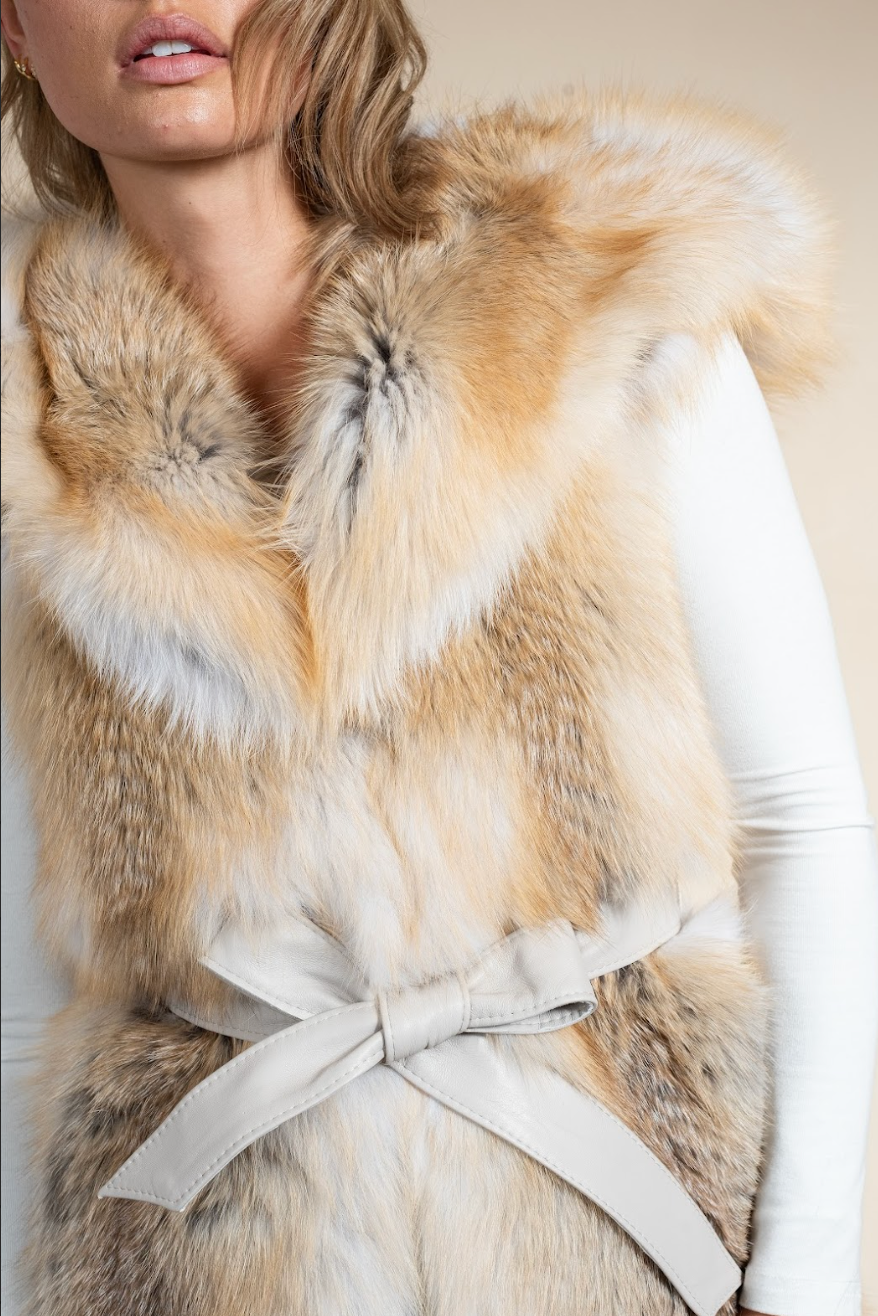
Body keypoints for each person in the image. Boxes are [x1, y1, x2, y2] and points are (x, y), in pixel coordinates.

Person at [1, 3, 876, 1315]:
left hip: (623, 1244)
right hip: (190, 1266)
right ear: (16, 26)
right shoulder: (19, 419)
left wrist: (804, 1281)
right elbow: (20, 983)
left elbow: (801, 825)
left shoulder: (592, 288)